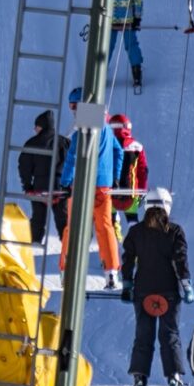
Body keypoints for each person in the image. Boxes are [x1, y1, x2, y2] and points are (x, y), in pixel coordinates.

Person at [119, 187, 189, 386]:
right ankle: (174, 378)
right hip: (168, 292)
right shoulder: (175, 231)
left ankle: (140, 380)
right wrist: (186, 285)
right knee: (170, 335)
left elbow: (128, 260)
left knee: (143, 335)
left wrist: (128, 285)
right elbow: (180, 259)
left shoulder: (136, 232)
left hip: (143, 293)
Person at [57, 88, 124, 288]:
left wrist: (65, 182)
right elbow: (118, 151)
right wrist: (115, 177)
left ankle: (67, 271)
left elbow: (72, 157)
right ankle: (112, 272)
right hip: (103, 186)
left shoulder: (83, 130)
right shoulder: (106, 127)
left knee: (74, 228)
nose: (73, 112)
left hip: (81, 186)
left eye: (74, 107)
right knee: (105, 227)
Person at [18, 109, 69, 247]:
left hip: (39, 186)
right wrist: (69, 184)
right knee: (63, 218)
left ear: (41, 126)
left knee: (38, 218)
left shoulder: (31, 143)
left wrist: (27, 185)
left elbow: (24, 166)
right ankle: (68, 246)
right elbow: (72, 163)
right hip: (60, 186)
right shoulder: (64, 142)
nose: (35, 129)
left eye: (36, 126)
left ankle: (35, 242)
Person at [109, 112, 148, 229]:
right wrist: (143, 190)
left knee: (110, 222)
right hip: (131, 193)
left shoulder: (108, 144)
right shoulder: (137, 146)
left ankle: (114, 244)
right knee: (132, 220)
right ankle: (134, 244)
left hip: (110, 192)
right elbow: (143, 171)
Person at [113, 0, 144, 90]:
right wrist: (137, 18)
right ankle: (136, 73)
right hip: (128, 21)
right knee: (131, 45)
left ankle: (98, 76)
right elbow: (138, 0)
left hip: (110, 21)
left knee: (105, 47)